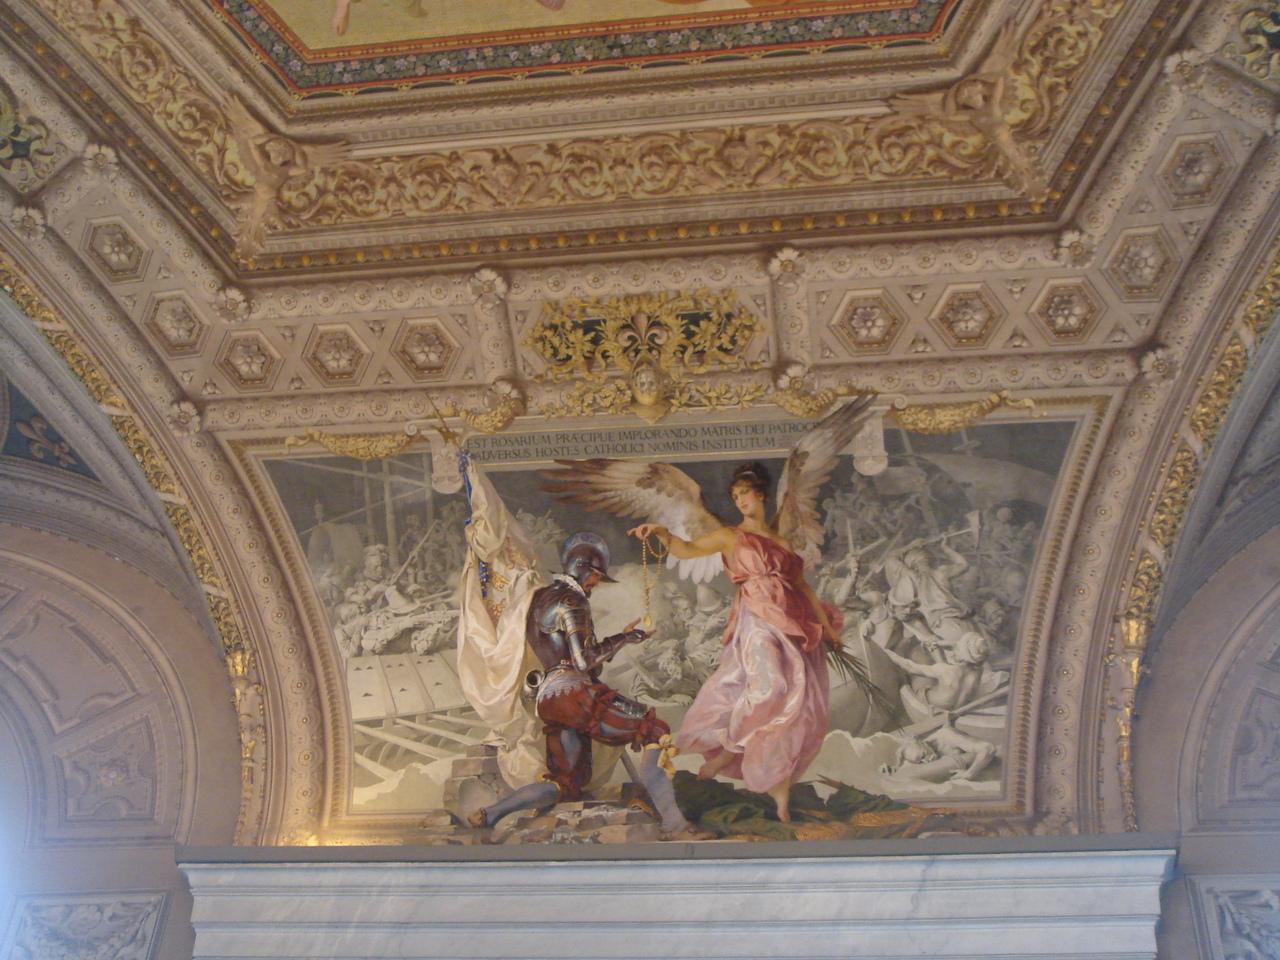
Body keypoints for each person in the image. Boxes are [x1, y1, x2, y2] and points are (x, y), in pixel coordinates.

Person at [629, 463, 844, 823]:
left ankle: (778, 789)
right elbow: (687, 550)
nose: (740, 501)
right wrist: (662, 534)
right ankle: (726, 755)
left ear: (760, 495)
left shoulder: (782, 543)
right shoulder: (730, 536)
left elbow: (803, 589)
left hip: (790, 618)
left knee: (795, 701)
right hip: (755, 619)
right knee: (771, 688)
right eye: (735, 496)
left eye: (745, 493)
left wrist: (829, 630)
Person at [467, 532, 710, 840]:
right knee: (655, 730)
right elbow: (584, 662)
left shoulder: (542, 598)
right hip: (574, 695)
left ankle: (490, 814)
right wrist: (626, 638)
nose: (596, 582)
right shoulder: (573, 601)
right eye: (595, 575)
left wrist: (618, 641)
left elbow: (570, 656)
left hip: (549, 699)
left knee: (566, 783)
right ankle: (676, 827)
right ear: (581, 567)